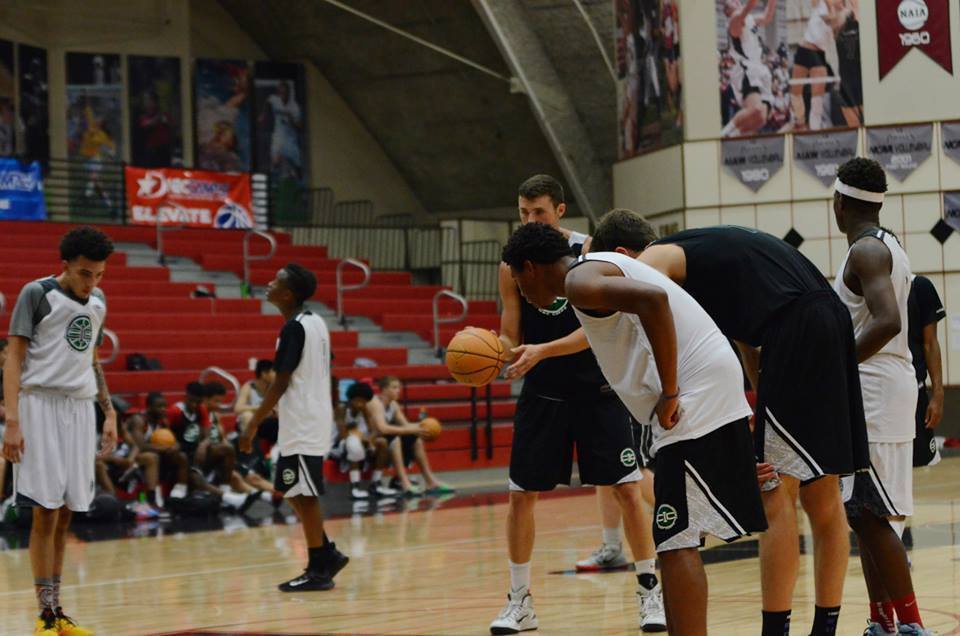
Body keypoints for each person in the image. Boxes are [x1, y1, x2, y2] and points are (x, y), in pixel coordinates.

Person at [502, 222, 766, 634]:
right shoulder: (590, 273)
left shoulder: (580, 280)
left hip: (695, 393)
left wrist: (672, 391)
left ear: (531, 267)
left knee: (675, 540)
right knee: (678, 538)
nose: (521, 292)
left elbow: (654, 300)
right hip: (708, 386)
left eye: (518, 281)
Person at [489, 175, 665, 635]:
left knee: (627, 489)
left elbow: (599, 331)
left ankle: (650, 592)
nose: (530, 220)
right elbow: (511, 331)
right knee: (520, 496)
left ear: (560, 210)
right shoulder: (513, 265)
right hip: (543, 394)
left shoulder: (588, 255)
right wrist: (494, 352)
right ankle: (519, 600)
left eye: (539, 212)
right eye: (524, 213)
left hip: (598, 390)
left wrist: (544, 350)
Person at [831, 157, 930, 635]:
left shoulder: (866, 252)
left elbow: (887, 320)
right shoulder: (887, 245)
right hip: (880, 389)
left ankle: (910, 625)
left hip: (874, 391)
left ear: (840, 203)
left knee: (873, 517)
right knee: (864, 515)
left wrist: (834, 365)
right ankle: (881, 622)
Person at [2, 226, 117, 636]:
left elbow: (92, 358)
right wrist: (12, 421)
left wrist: (109, 412)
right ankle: (44, 614)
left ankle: (59, 611)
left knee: (67, 512)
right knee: (44, 511)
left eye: (100, 274)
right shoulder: (38, 294)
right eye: (86, 274)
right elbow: (13, 358)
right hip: (39, 405)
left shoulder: (98, 300)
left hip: (79, 408)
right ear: (65, 265)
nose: (93, 283)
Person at [239, 263, 349, 591]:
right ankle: (325, 552)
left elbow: (280, 381)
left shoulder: (293, 329)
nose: (269, 283)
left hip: (302, 421)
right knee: (292, 489)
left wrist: (252, 425)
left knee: (303, 492)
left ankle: (318, 568)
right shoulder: (316, 322)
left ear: (287, 294)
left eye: (275, 280)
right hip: (310, 417)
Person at [372, 376, 454, 497]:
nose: (398, 390)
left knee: (416, 439)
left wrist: (422, 427)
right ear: (383, 389)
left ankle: (430, 481)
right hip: (370, 442)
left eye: (399, 387)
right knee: (396, 439)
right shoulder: (375, 403)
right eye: (394, 387)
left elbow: (406, 425)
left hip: (384, 440)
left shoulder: (393, 405)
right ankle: (405, 483)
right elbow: (382, 428)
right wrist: (413, 429)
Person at [329, 381, 397, 500]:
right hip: (337, 445)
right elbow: (343, 435)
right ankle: (354, 487)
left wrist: (370, 440)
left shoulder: (364, 410)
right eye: (357, 400)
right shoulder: (341, 409)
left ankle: (376, 483)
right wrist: (363, 438)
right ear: (350, 399)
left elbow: (373, 430)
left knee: (382, 442)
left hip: (358, 441)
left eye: (363, 401)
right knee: (353, 443)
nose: (360, 404)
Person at [721, 0, 778, 137]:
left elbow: (767, 16)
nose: (737, 1)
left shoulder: (749, 19)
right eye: (733, 1)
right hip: (746, 68)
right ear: (728, 10)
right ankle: (723, 134)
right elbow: (751, 5)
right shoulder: (734, 20)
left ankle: (735, 136)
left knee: (762, 117)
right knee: (755, 108)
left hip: (758, 67)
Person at [123, 392, 190, 503]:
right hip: (130, 454)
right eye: (159, 406)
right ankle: (151, 498)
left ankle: (180, 492)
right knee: (152, 457)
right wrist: (165, 448)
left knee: (181, 456)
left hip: (154, 455)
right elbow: (140, 446)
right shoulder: (139, 420)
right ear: (149, 407)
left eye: (165, 406)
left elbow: (175, 442)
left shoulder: (163, 421)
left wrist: (175, 447)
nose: (163, 409)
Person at [907, 275, 945, 468]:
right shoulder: (858, 285)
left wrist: (938, 394)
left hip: (914, 391)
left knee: (919, 465)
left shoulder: (918, 286)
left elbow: (931, 343)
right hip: (873, 393)